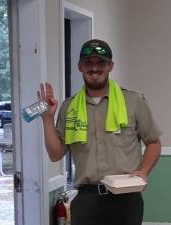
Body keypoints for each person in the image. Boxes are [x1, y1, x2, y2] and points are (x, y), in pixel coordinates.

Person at [37, 39, 161, 225]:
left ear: (110, 66)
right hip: (87, 201)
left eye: (100, 62)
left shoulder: (133, 101)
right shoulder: (69, 107)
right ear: (80, 66)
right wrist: (47, 119)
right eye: (89, 62)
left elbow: (153, 142)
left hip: (126, 199)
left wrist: (143, 171)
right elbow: (56, 154)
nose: (94, 68)